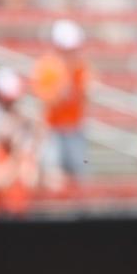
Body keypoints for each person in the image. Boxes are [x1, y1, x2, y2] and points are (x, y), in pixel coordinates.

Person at [31, 19, 91, 182]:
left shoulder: (80, 67)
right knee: (54, 175)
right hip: (53, 129)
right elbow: (47, 102)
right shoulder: (46, 67)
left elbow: (85, 94)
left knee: (79, 175)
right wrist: (64, 82)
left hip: (74, 127)